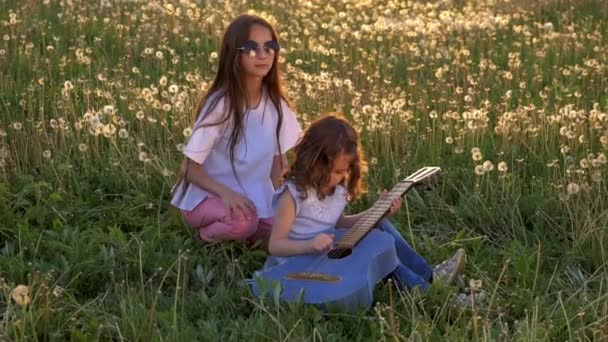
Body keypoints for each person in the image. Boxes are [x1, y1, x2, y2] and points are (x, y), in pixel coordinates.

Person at [264, 114, 464, 289]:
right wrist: (309, 245)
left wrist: (378, 212)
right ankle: (425, 291)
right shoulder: (292, 196)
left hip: (331, 250)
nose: (336, 178)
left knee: (381, 227)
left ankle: (429, 275)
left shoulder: (337, 188)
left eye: (342, 172)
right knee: (375, 251)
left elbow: (340, 223)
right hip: (301, 263)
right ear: (311, 160)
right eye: (332, 171)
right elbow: (276, 245)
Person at [171, 14, 301, 244]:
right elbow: (191, 170)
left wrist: (291, 202)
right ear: (234, 53)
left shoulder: (275, 105)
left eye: (270, 47)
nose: (262, 55)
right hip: (207, 197)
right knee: (244, 222)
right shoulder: (221, 104)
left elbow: (278, 166)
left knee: (286, 228)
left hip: (251, 198)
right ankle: (205, 238)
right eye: (251, 48)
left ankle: (244, 236)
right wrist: (225, 193)